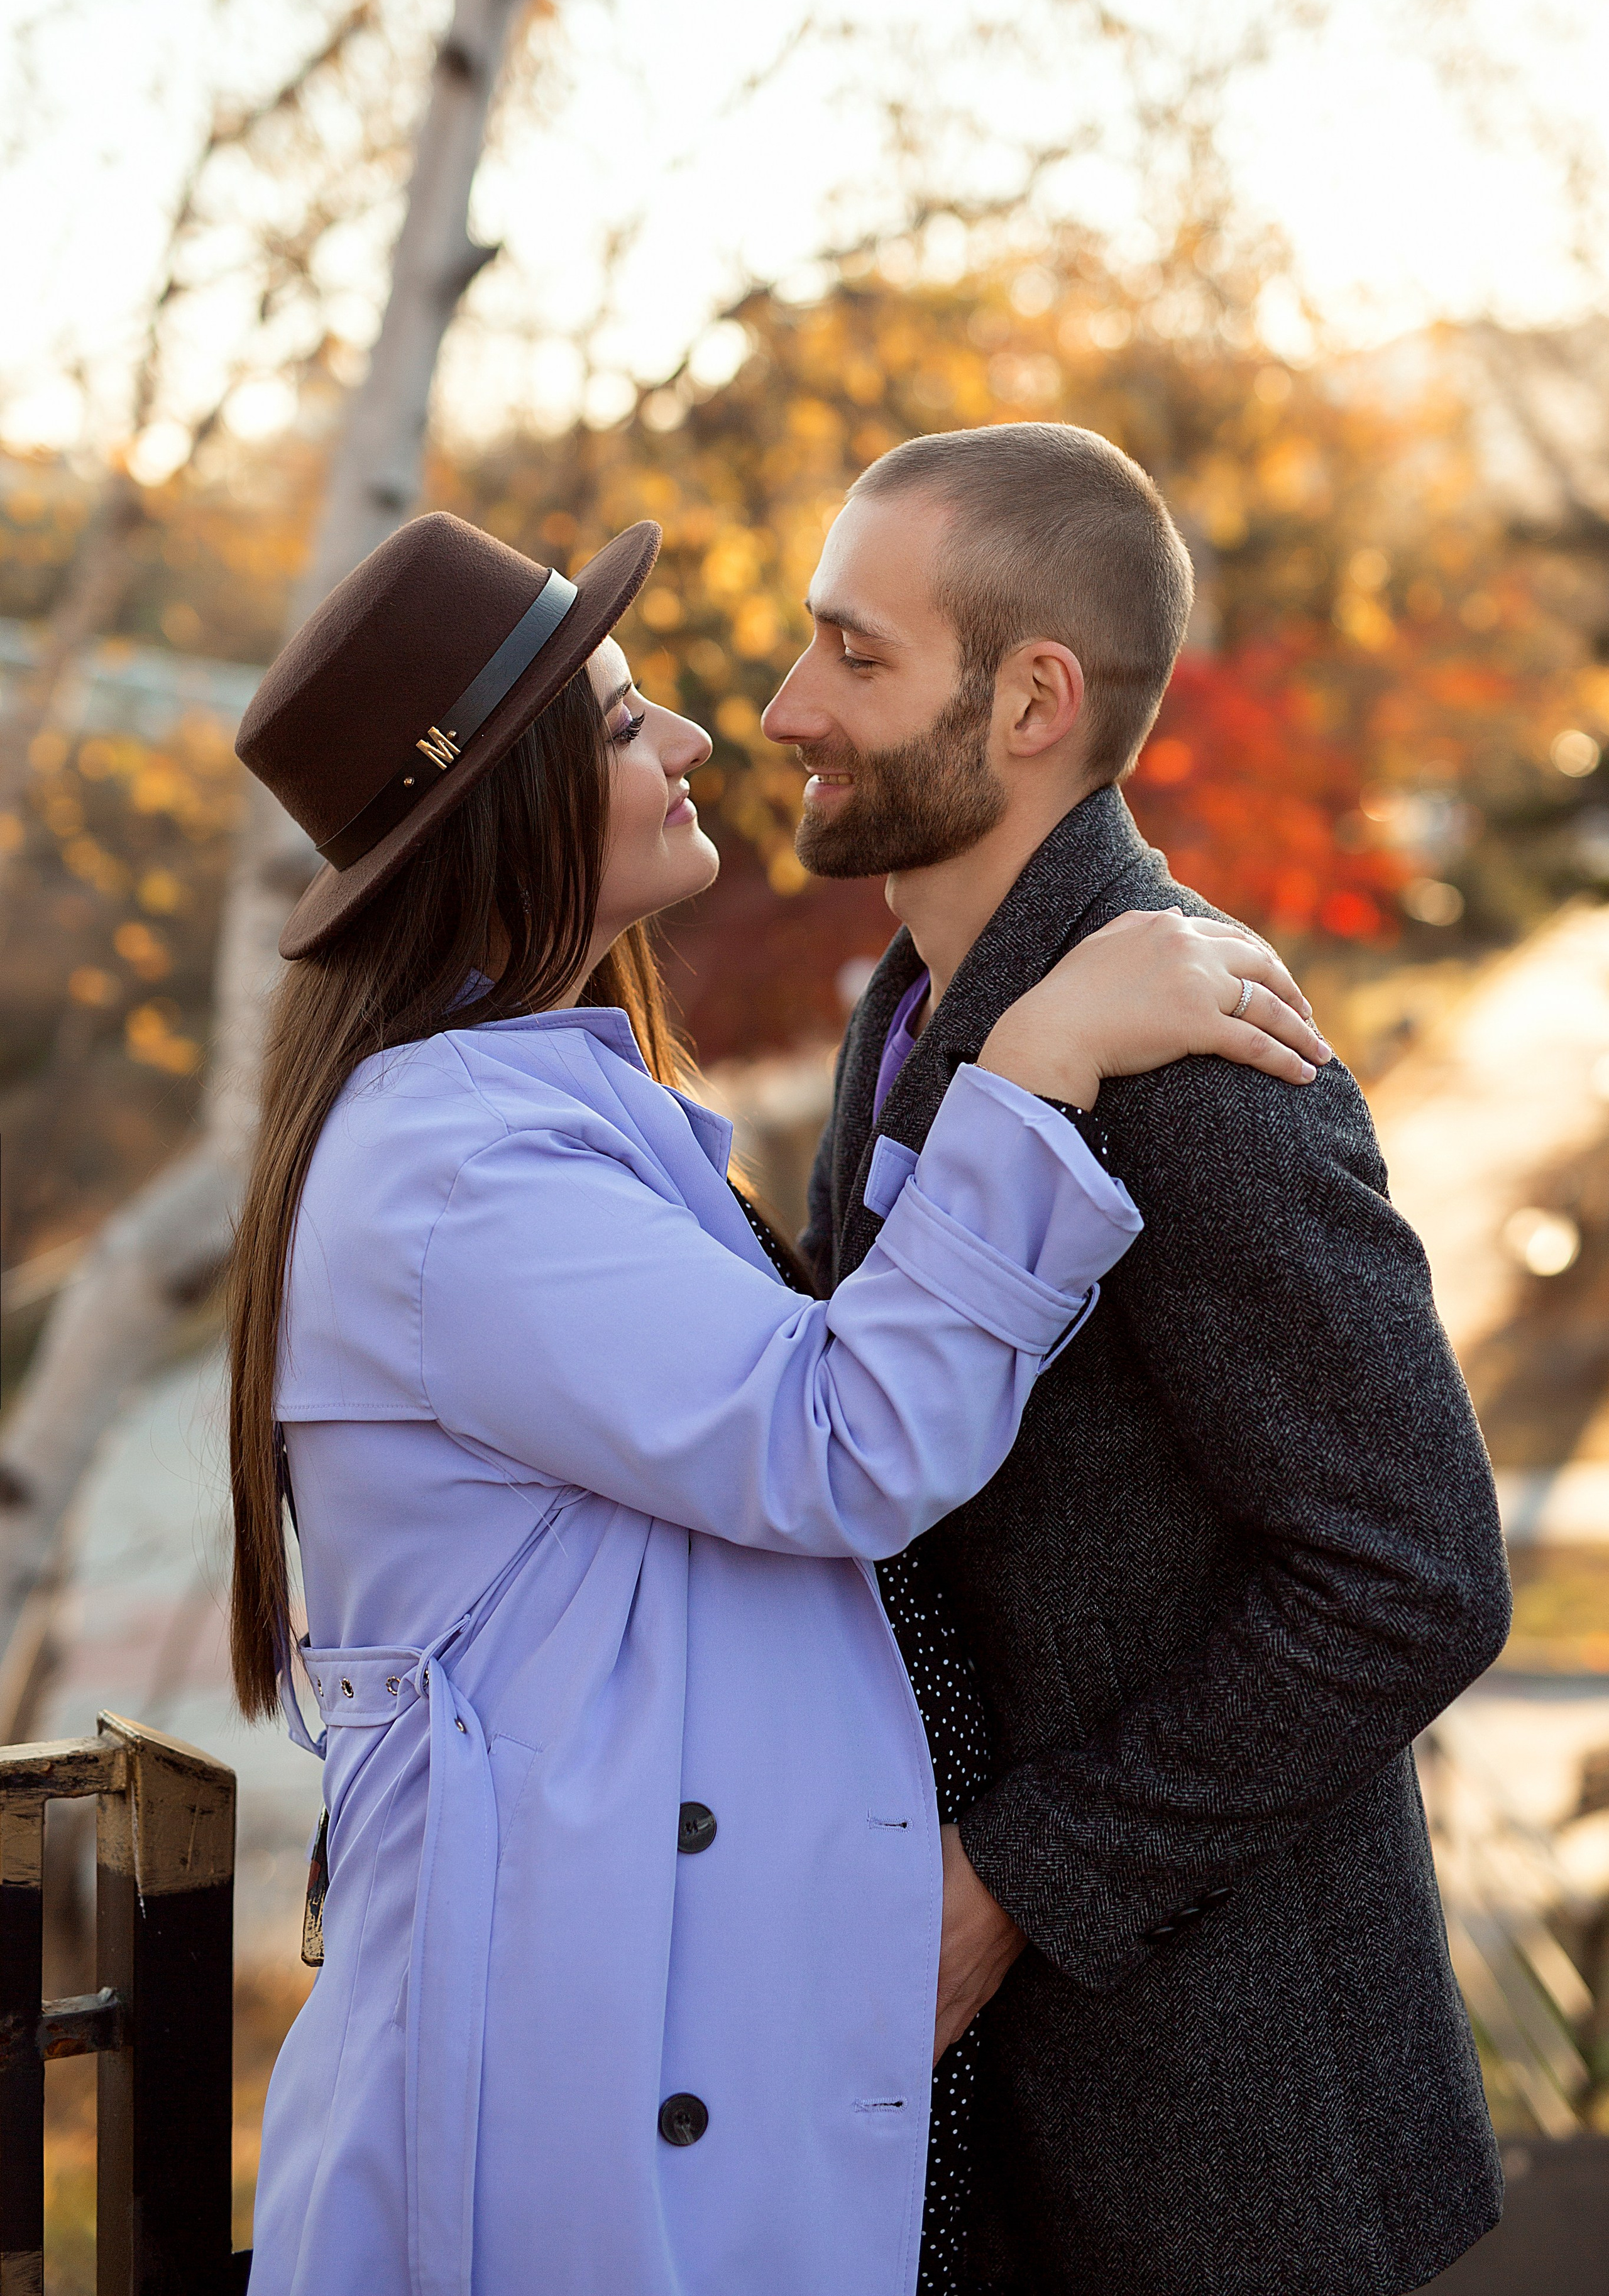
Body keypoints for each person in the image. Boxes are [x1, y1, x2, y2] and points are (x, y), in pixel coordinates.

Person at [229, 508, 1327, 2296]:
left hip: (652, 2003)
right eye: (619, 717)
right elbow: (839, 1441)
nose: (687, 740)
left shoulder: (538, 1113)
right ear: (503, 806)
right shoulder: (455, 1171)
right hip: (572, 2076)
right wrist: (1037, 1067)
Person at [763, 420, 1513, 2296]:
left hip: (1227, 2143)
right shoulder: (910, 1004)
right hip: (1013, 2122)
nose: (786, 705)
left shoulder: (1195, 1041)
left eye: (857, 656)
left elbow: (1415, 1575)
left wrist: (1016, 1883)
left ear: (1031, 701)